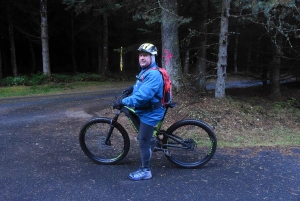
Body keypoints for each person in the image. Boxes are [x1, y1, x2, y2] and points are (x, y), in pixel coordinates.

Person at [113, 43, 166, 181]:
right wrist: (132, 88)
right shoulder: (146, 70)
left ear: (152, 57)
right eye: (141, 55)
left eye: (146, 55)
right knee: (144, 136)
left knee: (143, 141)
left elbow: (142, 97)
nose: (142, 58)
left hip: (151, 112)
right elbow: (142, 85)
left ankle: (146, 171)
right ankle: (151, 139)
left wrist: (123, 101)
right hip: (147, 109)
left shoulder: (153, 74)